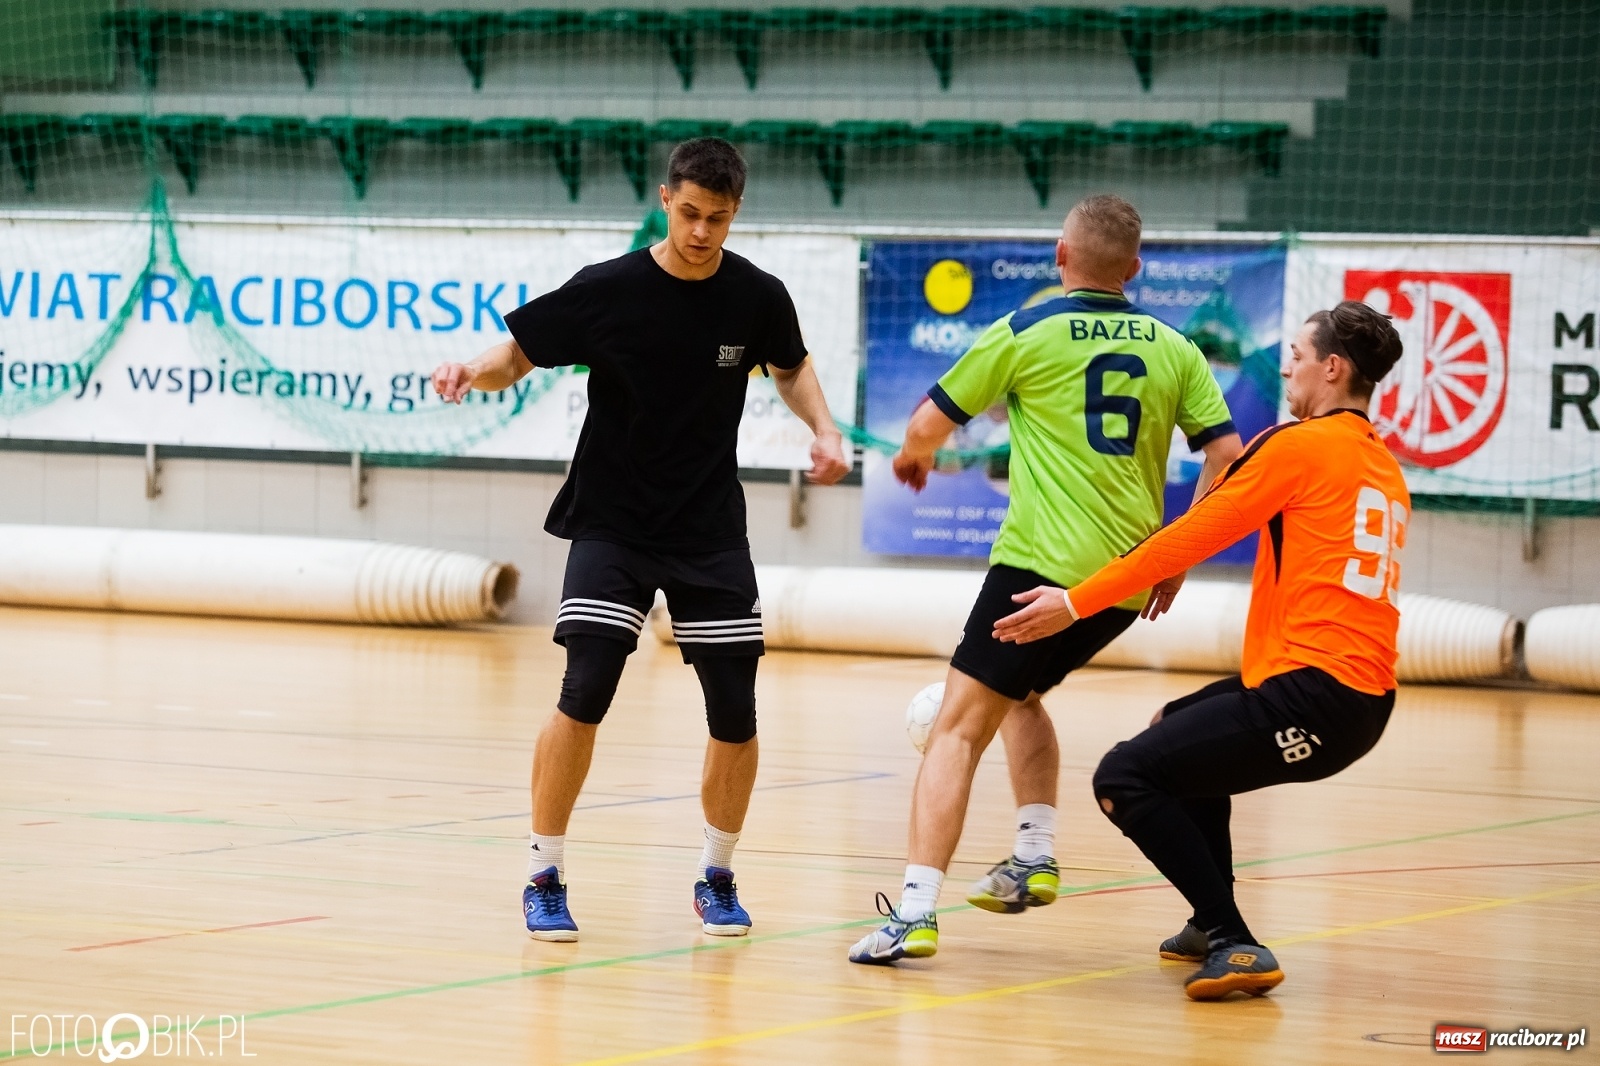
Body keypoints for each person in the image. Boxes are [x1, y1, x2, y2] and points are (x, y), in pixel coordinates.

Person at [431, 138, 851, 942]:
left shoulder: (757, 295)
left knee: (735, 709)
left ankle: (717, 876)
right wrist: (467, 371)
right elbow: (516, 355)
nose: (701, 232)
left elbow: (790, 367)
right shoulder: (609, 289)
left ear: (736, 214)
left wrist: (825, 429)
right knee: (584, 687)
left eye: (718, 219)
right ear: (666, 200)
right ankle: (544, 873)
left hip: (709, 527)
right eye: (690, 213)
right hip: (613, 520)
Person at [848, 194, 1244, 965]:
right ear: (1134, 269)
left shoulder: (1027, 331)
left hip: (1038, 571)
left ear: (1060, 259)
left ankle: (917, 911)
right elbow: (1226, 454)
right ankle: (1033, 852)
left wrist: (913, 456)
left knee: (958, 728)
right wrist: (1178, 554)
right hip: (1122, 588)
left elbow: (929, 423)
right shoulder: (1176, 347)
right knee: (1021, 697)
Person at [992, 299, 1407, 1000]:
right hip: (1351, 695)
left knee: (1123, 779)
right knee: (1170, 733)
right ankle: (1206, 923)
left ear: (1333, 369)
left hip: (1317, 696)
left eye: (1299, 357)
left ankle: (1234, 939)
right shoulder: (1382, 465)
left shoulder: (1300, 445)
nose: (1287, 368)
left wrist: (1074, 601)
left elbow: (1193, 534)